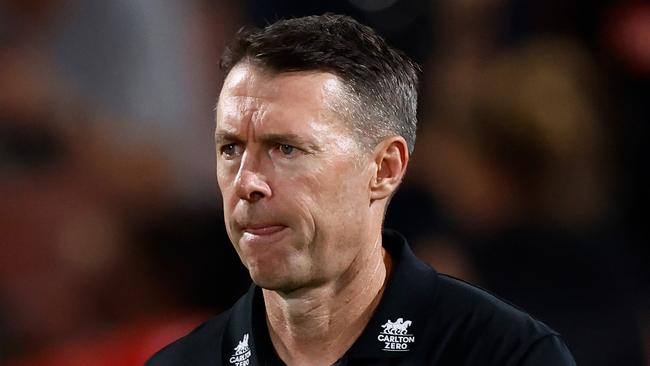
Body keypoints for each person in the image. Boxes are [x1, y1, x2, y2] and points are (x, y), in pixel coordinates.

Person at [146, 14, 576, 366]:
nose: (246, 183)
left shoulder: (507, 356)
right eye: (230, 149)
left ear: (384, 169)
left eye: (286, 148)